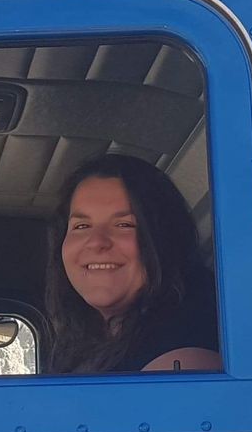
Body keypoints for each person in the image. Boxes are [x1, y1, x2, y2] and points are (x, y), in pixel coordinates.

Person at [43, 154, 221, 374]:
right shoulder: (88, 343)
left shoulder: (184, 349)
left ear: (165, 238)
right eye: (81, 226)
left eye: (124, 224)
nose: (97, 242)